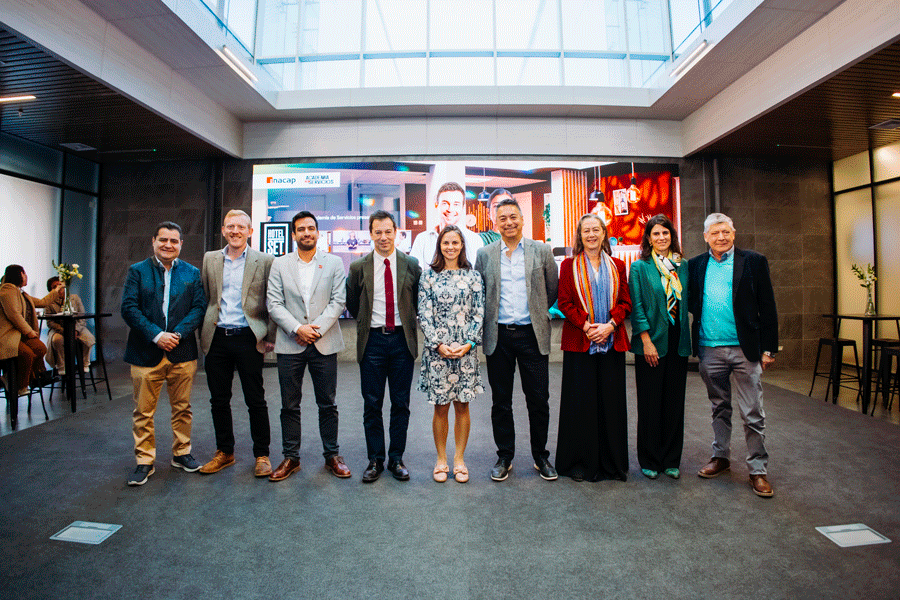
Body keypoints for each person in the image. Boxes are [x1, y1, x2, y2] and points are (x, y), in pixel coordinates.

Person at [688, 213, 778, 498]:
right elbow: (690, 302)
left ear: (734, 233)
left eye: (725, 232)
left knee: (752, 412)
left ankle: (758, 470)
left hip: (745, 349)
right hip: (709, 348)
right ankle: (721, 457)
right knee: (719, 406)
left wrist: (769, 348)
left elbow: (768, 305)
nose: (721, 237)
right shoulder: (695, 265)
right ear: (705, 237)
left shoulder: (753, 261)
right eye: (715, 233)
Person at [475, 198, 559, 482]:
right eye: (503, 218)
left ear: (523, 219)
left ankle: (541, 457)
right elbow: (480, 291)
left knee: (538, 399)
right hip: (498, 336)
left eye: (513, 217)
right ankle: (504, 456)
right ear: (495, 223)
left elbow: (551, 289)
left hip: (531, 335)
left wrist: (536, 312)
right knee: (501, 401)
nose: (508, 222)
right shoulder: (485, 254)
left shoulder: (541, 250)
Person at [267, 211, 351, 482]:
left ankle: (332, 456)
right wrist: (297, 329)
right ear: (294, 234)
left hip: (323, 343)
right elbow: (274, 304)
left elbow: (338, 301)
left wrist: (314, 330)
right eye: (301, 229)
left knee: (328, 403)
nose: (306, 233)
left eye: (311, 228)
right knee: (289, 405)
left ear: (318, 233)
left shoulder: (334, 262)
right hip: (290, 342)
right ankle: (291, 458)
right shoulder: (280, 264)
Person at [121, 222, 206, 486]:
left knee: (183, 408)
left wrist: (177, 334)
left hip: (182, 352)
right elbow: (129, 308)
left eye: (174, 241)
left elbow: (199, 308)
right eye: (163, 240)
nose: (168, 245)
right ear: (154, 241)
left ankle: (181, 453)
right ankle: (144, 461)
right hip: (145, 352)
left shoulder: (192, 273)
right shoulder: (138, 271)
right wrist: (157, 335)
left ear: (181, 244)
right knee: (143, 412)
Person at [197, 210, 276, 478]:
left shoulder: (265, 260)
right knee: (219, 399)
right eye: (230, 226)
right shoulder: (210, 259)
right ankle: (225, 452)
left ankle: (262, 455)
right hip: (217, 337)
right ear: (223, 230)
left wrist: (270, 336)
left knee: (255, 399)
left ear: (250, 231)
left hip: (248, 337)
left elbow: (272, 301)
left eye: (241, 227)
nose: (235, 231)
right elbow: (207, 297)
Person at [346, 210, 422, 483]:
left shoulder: (411, 264)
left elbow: (417, 301)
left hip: (402, 341)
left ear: (396, 233)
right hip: (373, 342)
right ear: (370, 234)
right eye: (377, 232)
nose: (383, 237)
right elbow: (353, 303)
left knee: (401, 403)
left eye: (388, 231)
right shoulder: (359, 267)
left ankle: (396, 458)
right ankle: (375, 459)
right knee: (372, 403)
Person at [555, 214, 632, 482]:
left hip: (611, 342)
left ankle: (612, 464)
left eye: (595, 230)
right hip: (580, 343)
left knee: (611, 405)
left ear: (603, 234)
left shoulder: (618, 265)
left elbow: (626, 302)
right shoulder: (568, 266)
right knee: (581, 405)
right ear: (580, 235)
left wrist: (610, 326)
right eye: (586, 230)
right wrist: (587, 326)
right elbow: (564, 302)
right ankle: (581, 463)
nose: (591, 235)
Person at [417, 225, 485, 483]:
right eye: (446, 243)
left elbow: (479, 313)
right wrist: (437, 344)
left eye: (455, 242)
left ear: (462, 245)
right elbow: (424, 314)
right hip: (438, 353)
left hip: (465, 352)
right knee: (441, 407)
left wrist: (469, 343)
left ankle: (459, 459)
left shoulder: (474, 276)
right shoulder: (428, 277)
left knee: (463, 406)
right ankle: (441, 460)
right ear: (439, 246)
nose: (450, 247)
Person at [629, 214, 690, 481]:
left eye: (665, 232)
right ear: (649, 238)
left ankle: (671, 459)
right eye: (656, 233)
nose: (661, 237)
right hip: (651, 342)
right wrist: (646, 341)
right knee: (650, 403)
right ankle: (650, 459)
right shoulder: (640, 267)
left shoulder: (682, 265)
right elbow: (637, 307)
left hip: (678, 342)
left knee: (674, 404)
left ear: (671, 236)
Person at [0, 265, 62, 395]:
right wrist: (28, 331)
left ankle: (34, 378)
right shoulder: (7, 290)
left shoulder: (20, 293)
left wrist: (56, 290)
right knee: (27, 354)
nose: (26, 276)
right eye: (24, 273)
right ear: (19, 275)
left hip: (19, 334)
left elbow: (42, 302)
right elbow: (14, 315)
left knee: (40, 348)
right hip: (7, 335)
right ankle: (21, 385)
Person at [409, 182, 483, 269]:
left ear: (463, 207)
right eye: (445, 203)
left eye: (456, 204)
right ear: (436, 204)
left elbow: (477, 273)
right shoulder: (422, 239)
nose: (450, 209)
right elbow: (414, 273)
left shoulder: (475, 240)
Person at [45, 276, 95, 376]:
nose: (59, 288)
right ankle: (61, 365)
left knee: (89, 338)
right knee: (57, 340)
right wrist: (64, 331)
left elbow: (82, 317)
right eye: (54, 287)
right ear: (51, 290)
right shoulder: (48, 302)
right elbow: (50, 322)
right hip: (58, 329)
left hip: (77, 327)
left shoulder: (74, 298)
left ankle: (85, 363)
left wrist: (75, 330)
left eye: (60, 285)